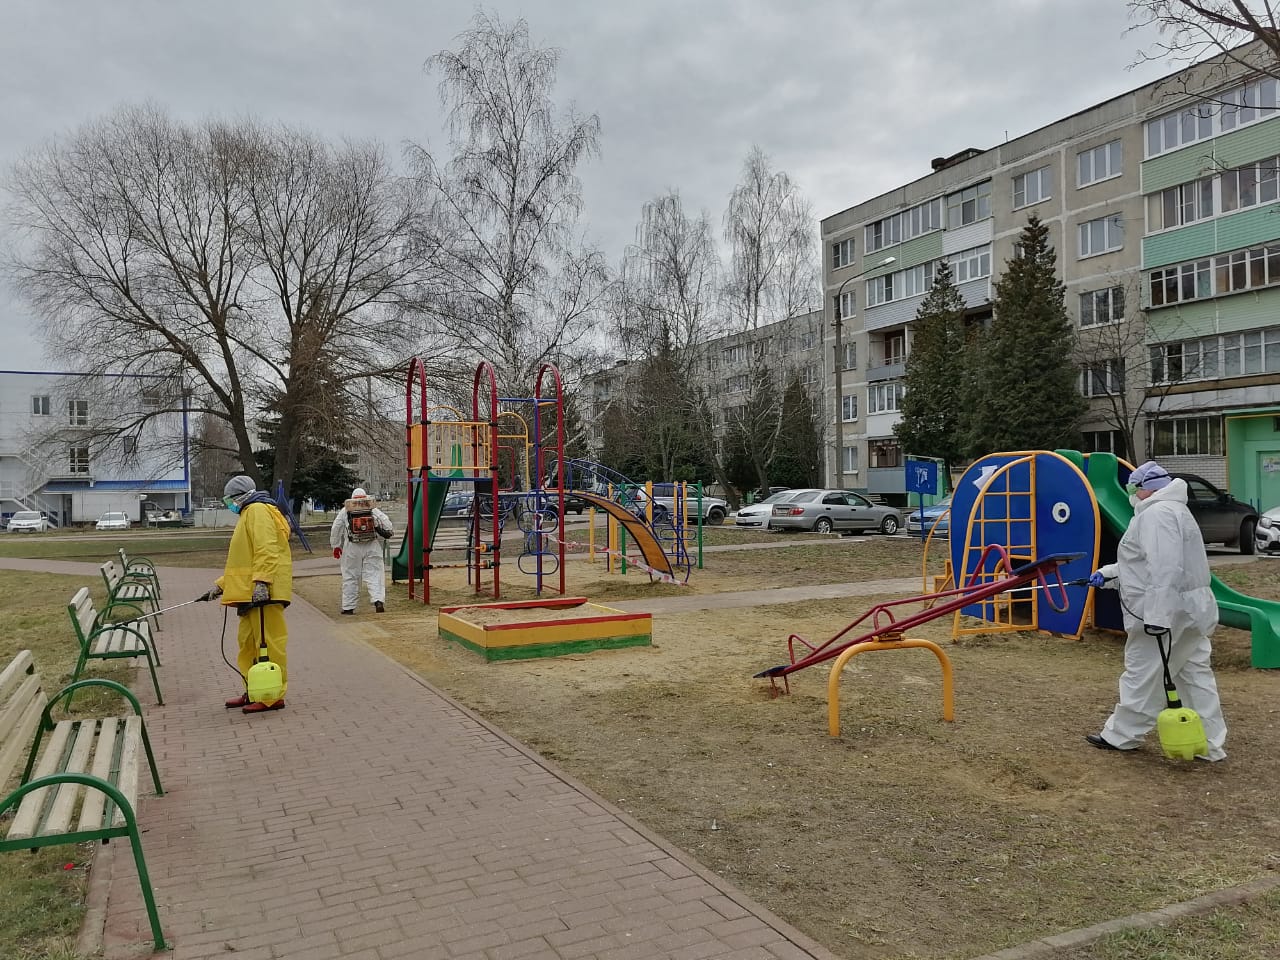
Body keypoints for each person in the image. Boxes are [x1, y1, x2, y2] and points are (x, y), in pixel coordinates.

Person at [1086, 460, 1227, 760]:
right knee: (1194, 676)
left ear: (1143, 490)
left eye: (1132, 489)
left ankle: (1122, 735)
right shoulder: (1175, 510)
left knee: (1142, 672)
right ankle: (1209, 742)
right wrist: (1110, 574)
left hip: (1166, 614)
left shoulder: (1157, 515)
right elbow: (1144, 564)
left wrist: (1158, 617)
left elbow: (1165, 569)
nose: (1130, 495)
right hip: (1190, 611)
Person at [203, 475, 293, 714]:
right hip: (249, 593)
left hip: (264, 593)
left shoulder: (258, 511)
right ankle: (254, 690)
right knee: (247, 645)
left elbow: (266, 548)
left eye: (230, 499)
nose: (229, 504)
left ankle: (272, 695)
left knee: (269, 644)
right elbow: (243, 560)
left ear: (239, 496)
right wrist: (222, 585)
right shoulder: (248, 513)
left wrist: (262, 582)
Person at [329, 487, 394, 615]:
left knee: (350, 576)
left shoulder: (345, 510)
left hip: (352, 547)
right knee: (375, 573)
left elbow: (336, 528)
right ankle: (378, 601)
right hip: (371, 545)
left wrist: (336, 546)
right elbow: (388, 525)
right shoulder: (372, 509)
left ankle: (348, 607)